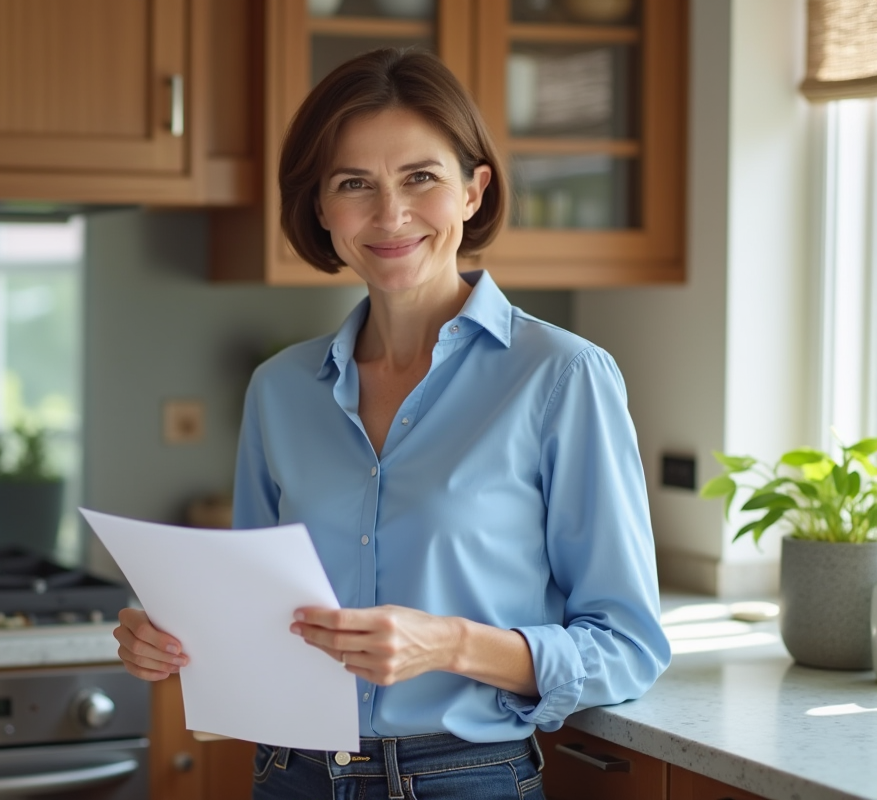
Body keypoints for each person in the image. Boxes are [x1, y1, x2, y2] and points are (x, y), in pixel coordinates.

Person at [115, 47, 670, 799]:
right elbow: (255, 623)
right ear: (320, 207)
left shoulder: (562, 377)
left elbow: (628, 648)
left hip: (466, 778)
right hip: (290, 774)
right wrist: (178, 639)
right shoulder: (279, 390)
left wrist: (447, 643)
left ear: (474, 191)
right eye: (354, 185)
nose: (390, 215)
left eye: (421, 178)